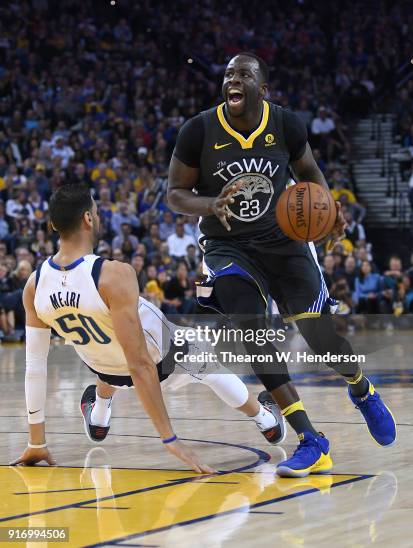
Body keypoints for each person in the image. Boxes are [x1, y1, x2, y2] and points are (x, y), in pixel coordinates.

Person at [167, 52, 396, 477]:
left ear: (262, 88)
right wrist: (210, 205)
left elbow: (309, 173)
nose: (233, 79)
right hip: (227, 245)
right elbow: (175, 194)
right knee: (252, 331)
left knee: (321, 339)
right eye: (229, 74)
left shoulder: (286, 124)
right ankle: (312, 440)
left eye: (244, 74)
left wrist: (328, 211)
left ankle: (361, 389)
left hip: (285, 241)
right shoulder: (198, 130)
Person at [11, 184, 285, 470]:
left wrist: (37, 443)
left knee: (111, 349)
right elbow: (140, 363)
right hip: (161, 359)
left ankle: (99, 414)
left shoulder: (34, 284)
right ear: (89, 219)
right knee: (211, 367)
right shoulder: (113, 274)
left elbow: (34, 366)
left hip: (103, 366)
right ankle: (266, 419)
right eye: (96, 211)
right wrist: (170, 440)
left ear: (53, 224)